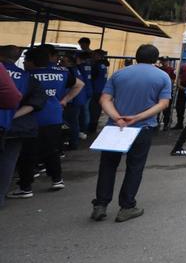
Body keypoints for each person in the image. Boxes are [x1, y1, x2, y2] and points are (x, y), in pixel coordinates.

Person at [91, 44, 171, 222]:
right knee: (135, 167)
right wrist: (138, 117)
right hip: (143, 127)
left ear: (136, 56)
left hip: (115, 127)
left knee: (107, 166)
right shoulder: (163, 76)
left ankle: (100, 204)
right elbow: (163, 103)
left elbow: (104, 99)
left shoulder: (119, 74)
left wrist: (117, 117)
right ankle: (126, 207)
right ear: (156, 59)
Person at [10, 46, 82, 198]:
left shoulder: (28, 75)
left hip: (33, 117)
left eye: (26, 61)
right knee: (52, 150)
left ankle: (25, 187)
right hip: (54, 116)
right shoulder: (62, 73)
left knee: (27, 153)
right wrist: (64, 100)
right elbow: (80, 84)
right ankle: (57, 179)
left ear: (31, 62)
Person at [0, 46, 46, 208]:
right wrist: (14, 115)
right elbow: (37, 102)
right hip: (17, 126)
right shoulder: (27, 77)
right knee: (8, 161)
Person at [87, 49, 109, 134]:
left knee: (92, 109)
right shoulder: (103, 64)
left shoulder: (96, 65)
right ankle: (93, 126)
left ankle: (91, 127)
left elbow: (92, 77)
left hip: (95, 90)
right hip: (101, 90)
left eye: (94, 55)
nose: (92, 57)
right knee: (97, 109)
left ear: (98, 56)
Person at [157, 57, 176, 130]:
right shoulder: (158, 69)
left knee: (166, 109)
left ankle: (166, 123)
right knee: (157, 109)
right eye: (163, 61)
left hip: (167, 91)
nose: (164, 62)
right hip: (159, 91)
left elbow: (172, 80)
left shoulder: (171, 70)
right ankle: (156, 122)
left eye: (166, 61)